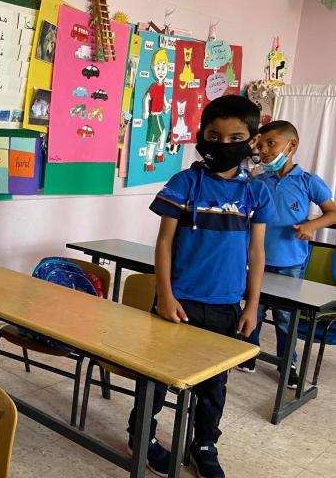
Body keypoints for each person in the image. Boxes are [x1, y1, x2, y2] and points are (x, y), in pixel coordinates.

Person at [128, 95, 276, 478]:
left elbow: (256, 253)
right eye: (214, 135)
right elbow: (163, 243)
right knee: (157, 378)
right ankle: (141, 436)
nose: (223, 144)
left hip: (227, 305)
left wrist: (251, 306)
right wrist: (165, 296)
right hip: (178, 302)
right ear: (201, 135)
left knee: (213, 385)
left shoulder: (256, 193)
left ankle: (205, 444)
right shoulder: (185, 183)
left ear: (252, 141)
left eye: (235, 137)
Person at [238, 120, 336, 387]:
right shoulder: (259, 180)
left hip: (290, 264)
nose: (265, 150)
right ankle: (249, 352)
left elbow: (332, 212)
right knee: (253, 310)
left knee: (284, 318)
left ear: (291, 146)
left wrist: (310, 226)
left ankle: (287, 362)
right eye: (261, 144)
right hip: (256, 260)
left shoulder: (308, 181)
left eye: (272, 143)